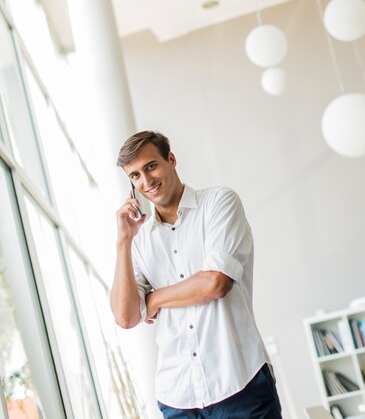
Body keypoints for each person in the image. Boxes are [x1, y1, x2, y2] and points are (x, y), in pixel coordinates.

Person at [110, 130, 282, 419]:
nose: (146, 181)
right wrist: (123, 241)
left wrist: (153, 300)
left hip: (241, 384)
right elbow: (126, 317)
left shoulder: (219, 203)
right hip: (177, 396)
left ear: (171, 159)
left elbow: (215, 282)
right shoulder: (139, 242)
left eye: (151, 166)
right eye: (136, 176)